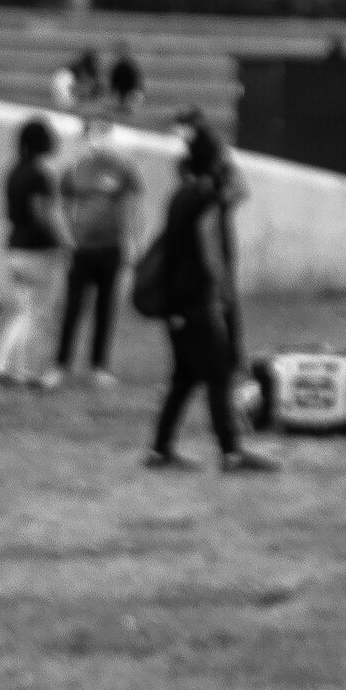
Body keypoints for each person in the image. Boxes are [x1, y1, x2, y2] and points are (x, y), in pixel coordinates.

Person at [145, 114, 270, 472]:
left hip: (175, 301)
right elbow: (210, 246)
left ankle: (160, 448)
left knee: (184, 376)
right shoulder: (206, 199)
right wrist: (224, 292)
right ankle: (231, 452)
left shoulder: (180, 195)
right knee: (217, 373)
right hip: (196, 299)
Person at [56, 105, 142, 384]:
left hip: (110, 246)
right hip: (82, 248)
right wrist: (67, 236)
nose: (101, 136)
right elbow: (63, 203)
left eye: (105, 130)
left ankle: (99, 365)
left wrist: (131, 240)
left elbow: (132, 204)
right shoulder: (75, 168)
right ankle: (61, 364)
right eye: (95, 130)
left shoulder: (122, 167)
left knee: (106, 307)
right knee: (73, 306)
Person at [0, 115, 69, 388]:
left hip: (15, 248)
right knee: (38, 314)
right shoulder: (39, 175)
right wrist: (64, 242)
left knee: (22, 311)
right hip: (37, 252)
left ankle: (1, 364)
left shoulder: (14, 171)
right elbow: (43, 214)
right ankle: (28, 372)